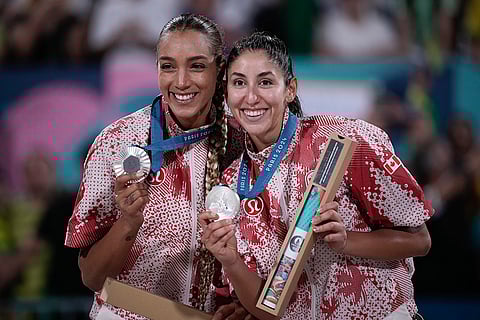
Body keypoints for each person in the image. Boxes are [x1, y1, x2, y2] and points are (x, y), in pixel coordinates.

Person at [200, 31, 433, 320]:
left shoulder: (346, 140)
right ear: (226, 94)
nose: (251, 96)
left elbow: (420, 240)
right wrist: (230, 260)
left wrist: (347, 241)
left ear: (290, 89)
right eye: (238, 83)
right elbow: (270, 310)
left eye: (265, 82)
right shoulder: (231, 186)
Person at [65, 13, 247, 319]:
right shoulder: (116, 142)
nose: (181, 81)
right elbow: (92, 278)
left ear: (221, 69)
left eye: (197, 65)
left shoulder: (244, 144)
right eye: (168, 66)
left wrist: (245, 305)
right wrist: (128, 221)